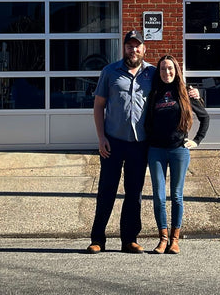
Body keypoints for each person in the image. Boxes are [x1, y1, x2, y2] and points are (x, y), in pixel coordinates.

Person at [87, 30, 198, 254]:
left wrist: (192, 92)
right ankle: (98, 238)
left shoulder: (152, 73)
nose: (133, 49)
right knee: (106, 191)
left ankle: (129, 239)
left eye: (137, 46)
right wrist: (100, 138)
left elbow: (173, 85)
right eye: (130, 46)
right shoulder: (110, 72)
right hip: (113, 142)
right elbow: (99, 106)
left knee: (134, 193)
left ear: (144, 49)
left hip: (140, 145)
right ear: (124, 48)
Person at [144, 54, 209, 255]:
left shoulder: (185, 93)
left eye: (170, 68)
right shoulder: (153, 92)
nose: (167, 72)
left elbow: (205, 117)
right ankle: (162, 239)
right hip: (156, 150)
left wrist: (196, 140)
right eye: (163, 69)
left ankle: (175, 240)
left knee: (177, 196)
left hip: (179, 150)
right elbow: (146, 120)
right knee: (158, 197)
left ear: (177, 70)